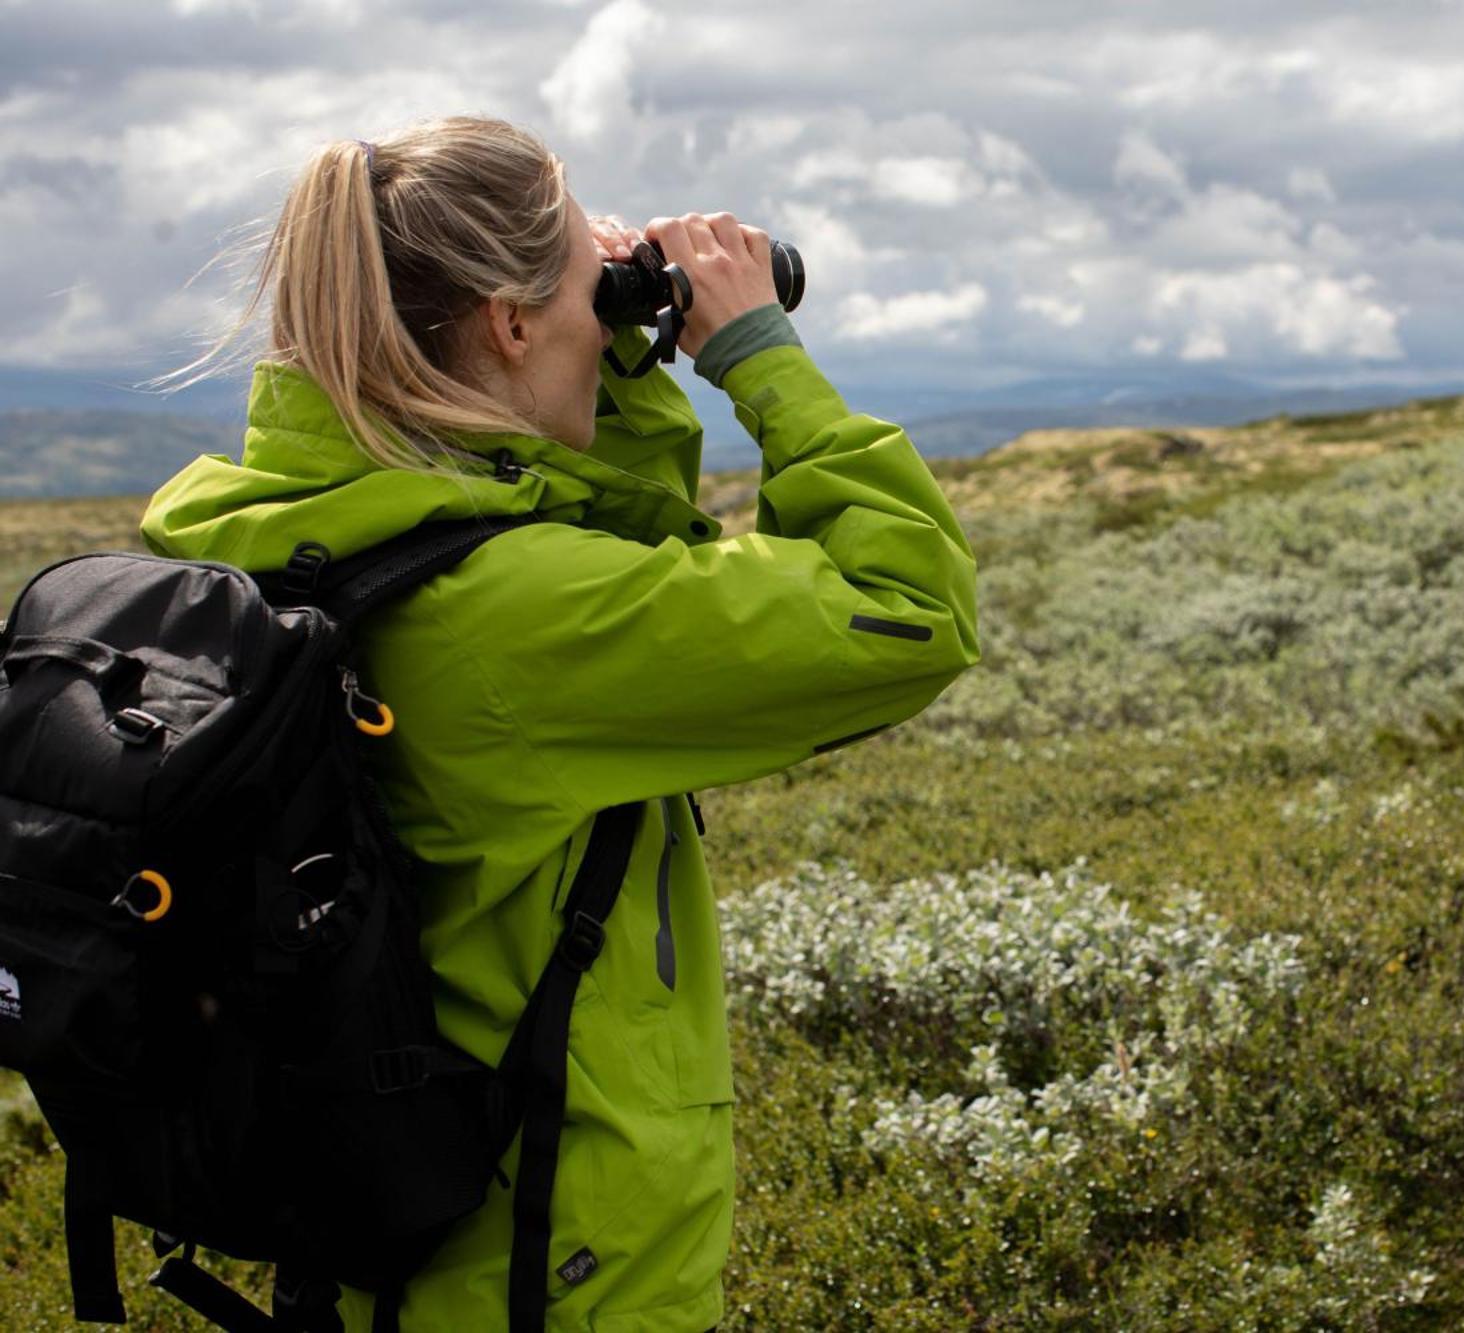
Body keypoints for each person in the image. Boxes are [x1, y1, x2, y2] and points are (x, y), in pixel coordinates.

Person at [139, 114, 979, 1332]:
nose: (611, 314)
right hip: (551, 1265)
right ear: (510, 321)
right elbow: (909, 610)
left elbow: (601, 532)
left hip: (391, 1243)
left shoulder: (293, 529)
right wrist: (752, 350)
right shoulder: (512, 618)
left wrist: (608, 346)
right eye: (592, 295)